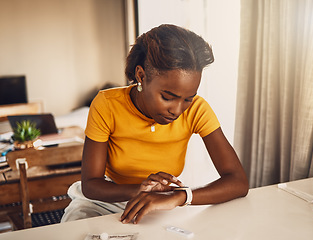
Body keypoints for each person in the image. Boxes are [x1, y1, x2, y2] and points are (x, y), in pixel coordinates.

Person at [61, 24, 249, 224]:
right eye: (168, 97)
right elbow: (91, 185)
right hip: (106, 199)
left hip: (163, 201)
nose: (177, 110)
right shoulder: (107, 105)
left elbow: (238, 181)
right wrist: (140, 189)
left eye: (188, 98)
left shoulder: (197, 109)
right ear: (141, 76)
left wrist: (180, 196)